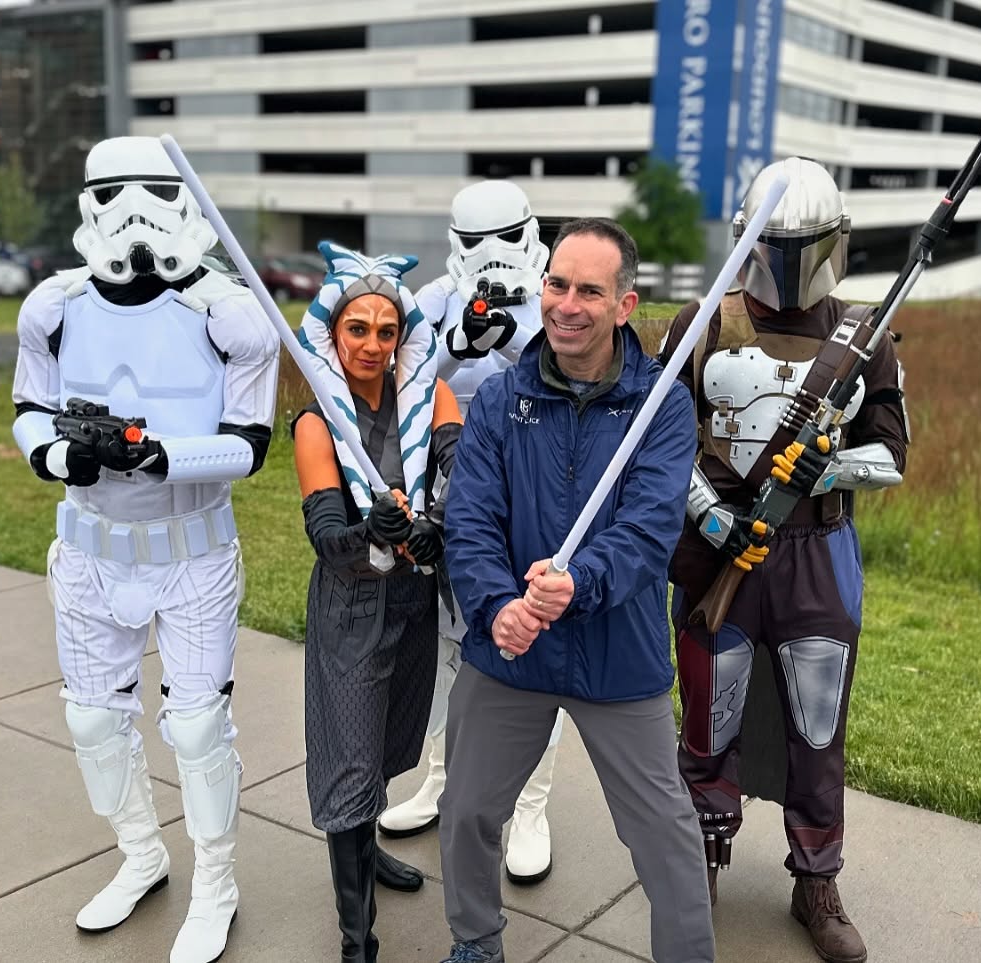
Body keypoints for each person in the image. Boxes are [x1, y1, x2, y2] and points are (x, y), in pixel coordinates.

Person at [10, 136, 280, 963]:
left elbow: (249, 442)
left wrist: (163, 455)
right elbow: (27, 409)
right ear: (90, 204)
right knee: (92, 716)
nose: (134, 217)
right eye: (115, 195)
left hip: (191, 550)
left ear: (182, 199)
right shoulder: (52, 307)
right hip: (91, 548)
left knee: (197, 729)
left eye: (151, 194)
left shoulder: (229, 314)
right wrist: (64, 457)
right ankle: (140, 855)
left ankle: (217, 883)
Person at [437, 218, 715, 963]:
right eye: (556, 283)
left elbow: (649, 531)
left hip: (617, 652)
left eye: (589, 290)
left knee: (665, 832)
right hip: (511, 650)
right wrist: (498, 610)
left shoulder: (662, 406)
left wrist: (577, 584)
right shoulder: (499, 400)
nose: (566, 303)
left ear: (624, 305)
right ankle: (475, 942)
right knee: (465, 810)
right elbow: (469, 523)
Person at [660, 157, 909, 963]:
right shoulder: (699, 325)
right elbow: (660, 445)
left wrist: (829, 466)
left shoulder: (865, 336)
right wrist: (708, 512)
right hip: (719, 547)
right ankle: (700, 851)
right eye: (779, 243)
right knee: (708, 709)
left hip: (818, 549)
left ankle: (817, 877)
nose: (792, 261)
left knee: (817, 720)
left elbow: (895, 453)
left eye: (806, 243)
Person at [377, 179, 563, 886]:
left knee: (533, 648)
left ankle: (531, 807)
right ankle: (441, 777)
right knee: (452, 648)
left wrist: (515, 343)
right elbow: (402, 380)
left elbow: (572, 376)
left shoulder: (555, 295)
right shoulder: (433, 302)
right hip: (454, 498)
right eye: (475, 244)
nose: (491, 259)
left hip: (539, 495)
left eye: (503, 241)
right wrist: (456, 345)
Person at [291, 242, 463, 963]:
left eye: (385, 329)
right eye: (355, 328)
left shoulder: (435, 396)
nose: (371, 343)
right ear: (331, 333)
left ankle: (368, 847)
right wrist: (372, 530)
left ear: (404, 336)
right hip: (353, 607)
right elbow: (328, 536)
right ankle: (356, 935)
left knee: (391, 739)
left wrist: (432, 529)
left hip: (414, 603)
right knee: (350, 759)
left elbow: (461, 487)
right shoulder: (314, 421)